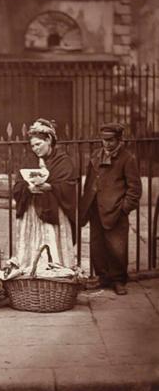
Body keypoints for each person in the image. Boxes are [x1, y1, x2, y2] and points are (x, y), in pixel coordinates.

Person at [81, 122, 142, 295]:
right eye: (103, 140)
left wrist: (124, 208)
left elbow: (135, 189)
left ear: (119, 139)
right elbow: (89, 183)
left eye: (110, 140)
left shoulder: (127, 159)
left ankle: (118, 280)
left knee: (117, 246)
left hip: (116, 210)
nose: (106, 144)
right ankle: (102, 277)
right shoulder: (95, 155)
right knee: (97, 245)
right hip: (96, 209)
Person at [13, 118, 77, 272]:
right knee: (33, 246)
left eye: (38, 144)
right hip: (32, 212)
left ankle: (57, 276)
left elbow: (69, 186)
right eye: (33, 145)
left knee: (52, 243)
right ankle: (31, 273)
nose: (35, 149)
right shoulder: (28, 159)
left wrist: (51, 187)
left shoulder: (64, 161)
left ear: (49, 140)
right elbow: (18, 185)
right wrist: (28, 189)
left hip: (54, 213)